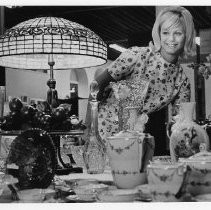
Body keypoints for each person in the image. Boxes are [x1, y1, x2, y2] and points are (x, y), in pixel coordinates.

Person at [85, 6, 196, 155]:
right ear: (158, 34)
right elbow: (97, 85)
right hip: (102, 129)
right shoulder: (137, 56)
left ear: (187, 36)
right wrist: (88, 129)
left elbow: (181, 123)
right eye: (165, 32)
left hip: (134, 136)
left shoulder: (182, 81)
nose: (171, 39)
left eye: (178, 33)